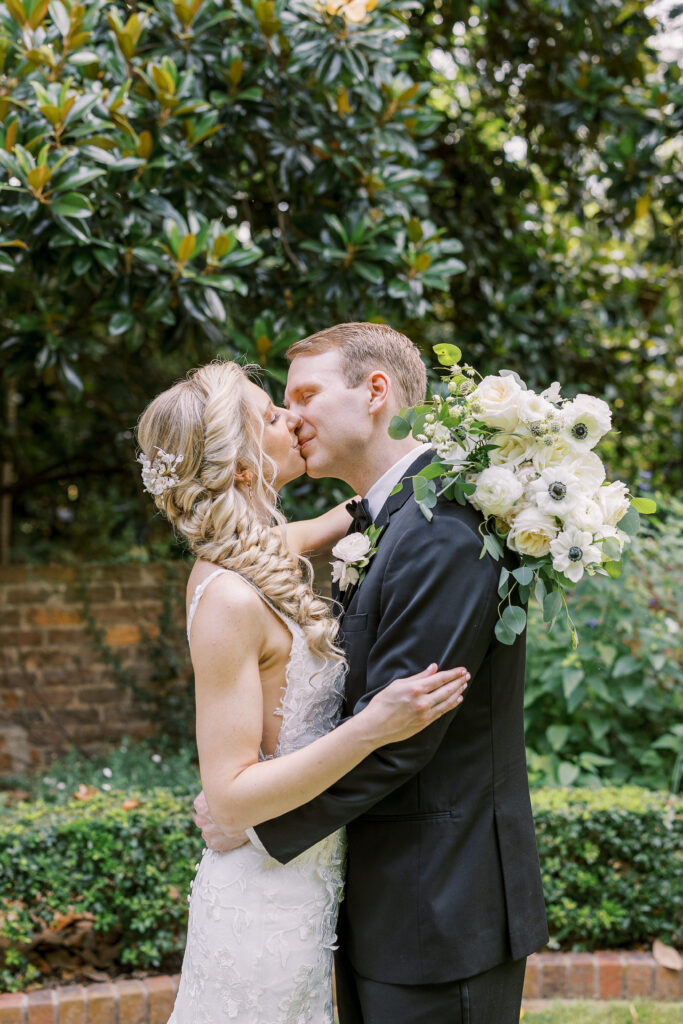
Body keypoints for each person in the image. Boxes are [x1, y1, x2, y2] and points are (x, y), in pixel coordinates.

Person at [196, 324, 549, 1024]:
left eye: (305, 395)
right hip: (384, 900)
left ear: (376, 392)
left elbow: (406, 733)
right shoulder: (385, 519)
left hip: (442, 904)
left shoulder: (444, 530)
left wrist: (259, 821)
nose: (291, 418)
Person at [136, 360, 470, 1024]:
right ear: (237, 466)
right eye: (269, 416)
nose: (293, 419)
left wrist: (423, 472)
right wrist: (371, 727)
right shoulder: (229, 595)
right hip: (262, 899)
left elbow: (343, 517)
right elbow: (228, 796)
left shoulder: (251, 551)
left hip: (308, 880)